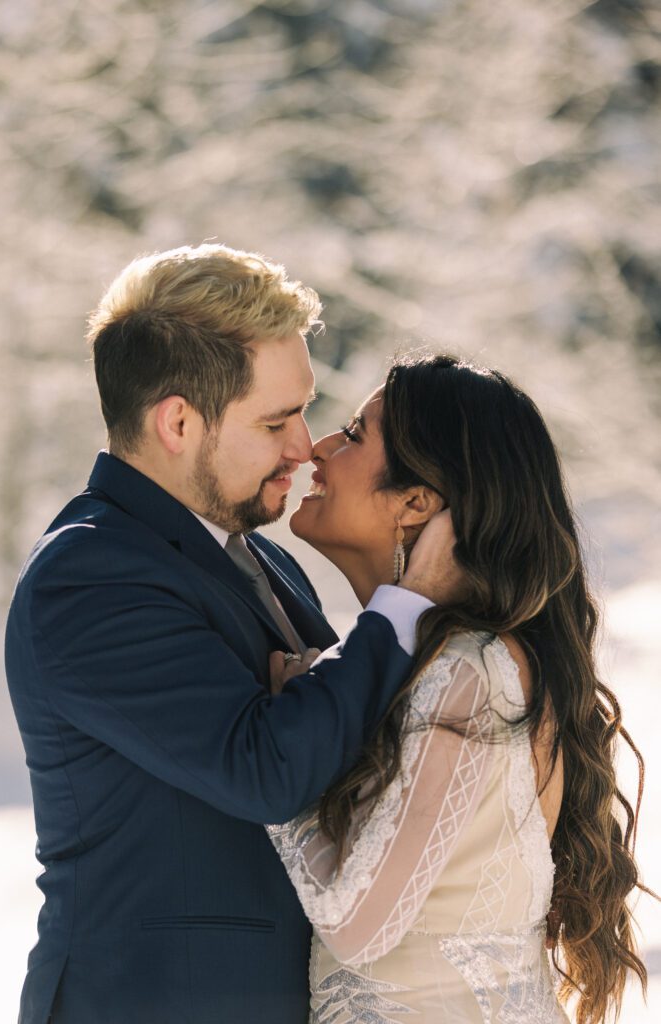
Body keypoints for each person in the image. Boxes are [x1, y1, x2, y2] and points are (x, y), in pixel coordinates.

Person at [4, 244, 459, 1024]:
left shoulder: (261, 559)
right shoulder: (90, 577)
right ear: (177, 421)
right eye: (276, 419)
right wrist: (404, 602)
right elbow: (267, 772)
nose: (303, 446)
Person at [267, 354, 650, 1024]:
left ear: (415, 502)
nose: (318, 448)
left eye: (354, 435)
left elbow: (356, 923)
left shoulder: (466, 675)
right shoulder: (458, 665)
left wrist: (280, 746)